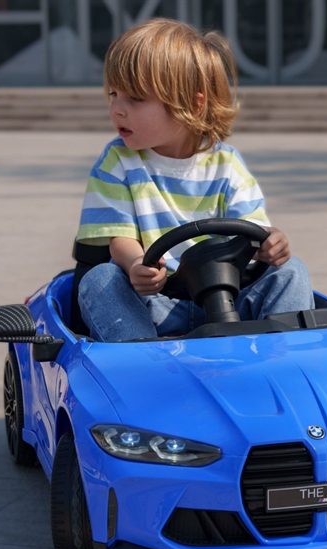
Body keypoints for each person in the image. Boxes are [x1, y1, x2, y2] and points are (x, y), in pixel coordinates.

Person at [76, 18, 313, 342]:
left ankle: (285, 355)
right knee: (100, 279)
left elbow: (252, 233)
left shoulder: (227, 165)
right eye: (113, 94)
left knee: (291, 269)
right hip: (154, 303)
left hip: (229, 303)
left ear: (191, 104)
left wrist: (272, 243)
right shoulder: (119, 161)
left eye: (135, 98)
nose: (116, 108)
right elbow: (120, 240)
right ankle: (142, 359)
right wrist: (136, 265)